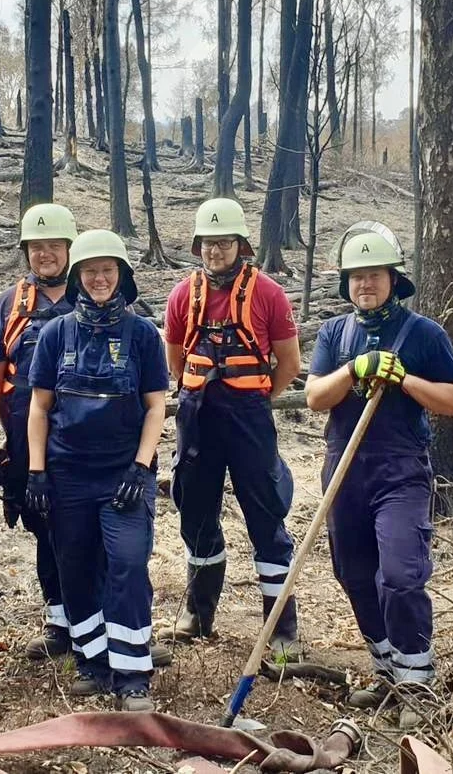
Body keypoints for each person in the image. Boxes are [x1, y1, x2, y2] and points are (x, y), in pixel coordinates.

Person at [304, 230, 453, 727]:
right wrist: (355, 368)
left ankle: (416, 682)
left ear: (394, 280)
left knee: (399, 575)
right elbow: (315, 397)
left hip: (400, 471)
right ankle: (386, 670)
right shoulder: (335, 335)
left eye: (374, 275)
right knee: (353, 575)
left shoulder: (423, 334)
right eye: (356, 277)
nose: (365, 285)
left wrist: (404, 379)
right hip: (345, 467)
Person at [26, 230, 169, 711]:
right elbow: (39, 408)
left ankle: (132, 672)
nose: (99, 278)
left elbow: (155, 407)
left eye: (108, 270)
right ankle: (92, 659)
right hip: (67, 474)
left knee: (127, 562)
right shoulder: (55, 333)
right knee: (75, 563)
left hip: (123, 474)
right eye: (90, 272)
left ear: (122, 276)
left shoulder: (144, 335)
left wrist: (141, 465)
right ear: (77, 279)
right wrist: (37, 471)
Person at [159, 198, 302, 654]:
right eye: (207, 243)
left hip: (248, 419)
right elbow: (176, 360)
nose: (215, 251)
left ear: (241, 245)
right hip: (198, 417)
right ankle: (198, 612)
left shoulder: (269, 294)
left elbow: (289, 362)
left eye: (223, 243)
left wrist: (256, 398)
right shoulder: (183, 295)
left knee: (266, 516)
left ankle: (280, 626)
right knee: (196, 512)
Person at [0, 203, 77, 659]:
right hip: (23, 433)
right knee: (44, 524)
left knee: (91, 527)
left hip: (87, 435)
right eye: (36, 247)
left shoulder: (95, 293)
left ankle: (96, 617)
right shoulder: (8, 305)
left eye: (54, 246)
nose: (45, 255)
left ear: (70, 248)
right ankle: (59, 620)